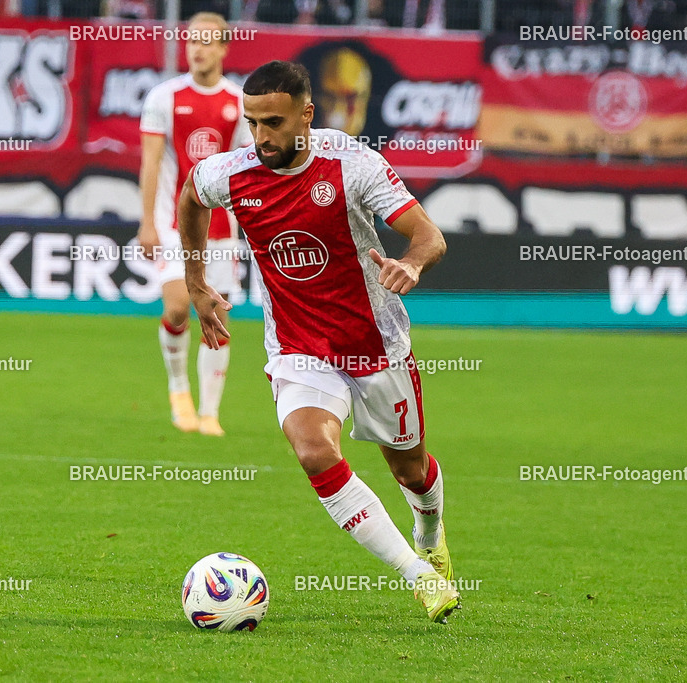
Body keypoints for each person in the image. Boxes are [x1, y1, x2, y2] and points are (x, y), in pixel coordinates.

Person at [175, 60, 460, 622]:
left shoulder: (352, 164)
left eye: (273, 123)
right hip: (299, 348)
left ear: (307, 113)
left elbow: (429, 235)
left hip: (375, 345)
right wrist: (196, 283)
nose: (260, 137)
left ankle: (431, 535)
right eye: (251, 122)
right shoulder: (230, 172)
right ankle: (420, 577)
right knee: (313, 449)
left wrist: (411, 263)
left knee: (411, 471)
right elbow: (189, 195)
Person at [138, 12, 251, 436]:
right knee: (178, 305)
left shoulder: (240, 102)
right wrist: (147, 221)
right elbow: (150, 162)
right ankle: (178, 387)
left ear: (224, 48)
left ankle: (209, 413)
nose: (197, 49)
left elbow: (246, 170)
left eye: (207, 41)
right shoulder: (163, 97)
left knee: (217, 319)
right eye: (191, 41)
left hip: (222, 229)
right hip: (173, 224)